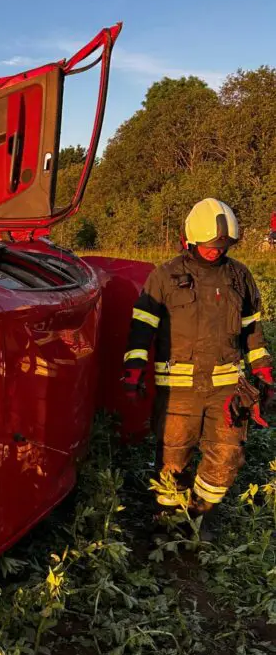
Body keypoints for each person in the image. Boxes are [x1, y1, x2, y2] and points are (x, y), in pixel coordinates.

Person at [121, 198, 273, 535]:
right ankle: (167, 522)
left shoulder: (239, 277)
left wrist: (263, 372)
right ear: (189, 239)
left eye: (223, 246)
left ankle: (200, 515)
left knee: (226, 457)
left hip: (225, 390)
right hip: (178, 392)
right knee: (172, 460)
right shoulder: (165, 276)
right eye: (208, 245)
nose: (215, 252)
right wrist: (133, 371)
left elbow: (252, 330)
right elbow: (141, 328)